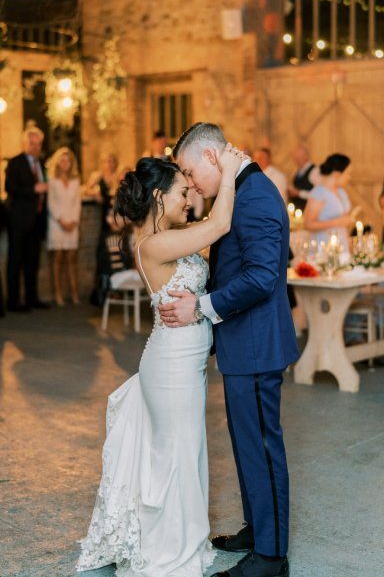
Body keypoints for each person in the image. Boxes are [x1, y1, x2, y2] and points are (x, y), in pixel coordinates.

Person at [77, 147, 244, 576]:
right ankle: (168, 550)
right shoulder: (153, 243)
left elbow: (209, 232)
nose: (188, 200)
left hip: (184, 363)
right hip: (170, 366)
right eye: (181, 193)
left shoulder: (172, 237)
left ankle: (186, 537)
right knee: (176, 455)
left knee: (187, 452)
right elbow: (220, 223)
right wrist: (228, 174)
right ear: (157, 197)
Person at [159, 123, 298, 577]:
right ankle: (258, 531)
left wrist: (201, 305)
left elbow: (261, 277)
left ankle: (271, 557)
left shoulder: (254, 195)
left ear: (212, 158)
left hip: (256, 345)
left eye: (190, 170)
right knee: (246, 444)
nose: (192, 182)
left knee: (259, 444)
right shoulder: (244, 189)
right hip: (246, 344)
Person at [5, 126, 49, 312]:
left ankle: (32, 299)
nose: (35, 147)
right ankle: (13, 302)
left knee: (33, 261)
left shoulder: (42, 163)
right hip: (18, 219)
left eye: (38, 144)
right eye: (32, 143)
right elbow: (10, 188)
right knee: (16, 261)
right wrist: (34, 190)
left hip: (37, 220)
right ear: (25, 144)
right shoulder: (15, 162)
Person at [85, 152, 124, 306]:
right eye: (107, 161)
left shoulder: (118, 176)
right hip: (105, 221)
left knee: (118, 256)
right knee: (103, 256)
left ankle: (117, 290)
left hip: (117, 220)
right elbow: (87, 189)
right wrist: (95, 196)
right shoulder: (98, 177)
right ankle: (102, 291)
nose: (109, 163)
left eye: (112, 160)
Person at [46, 147, 81, 306]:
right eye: (62, 160)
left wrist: (73, 221)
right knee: (57, 259)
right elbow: (51, 203)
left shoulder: (76, 181)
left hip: (72, 223)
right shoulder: (52, 180)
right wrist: (61, 221)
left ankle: (74, 294)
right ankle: (58, 295)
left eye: (67, 160)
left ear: (71, 163)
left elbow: (77, 204)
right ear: (57, 163)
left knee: (72, 258)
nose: (65, 163)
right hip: (56, 223)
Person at [303, 153, 353, 253]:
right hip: (324, 244)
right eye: (348, 173)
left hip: (342, 244)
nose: (349, 177)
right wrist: (336, 222)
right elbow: (308, 224)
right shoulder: (319, 193)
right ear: (337, 173)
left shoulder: (342, 192)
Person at [288, 144, 320, 211]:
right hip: (298, 211)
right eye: (295, 158)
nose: (296, 160)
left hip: (309, 210)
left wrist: (299, 193)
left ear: (306, 156)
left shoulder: (315, 171)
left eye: (298, 158)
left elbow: (318, 194)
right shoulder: (297, 171)